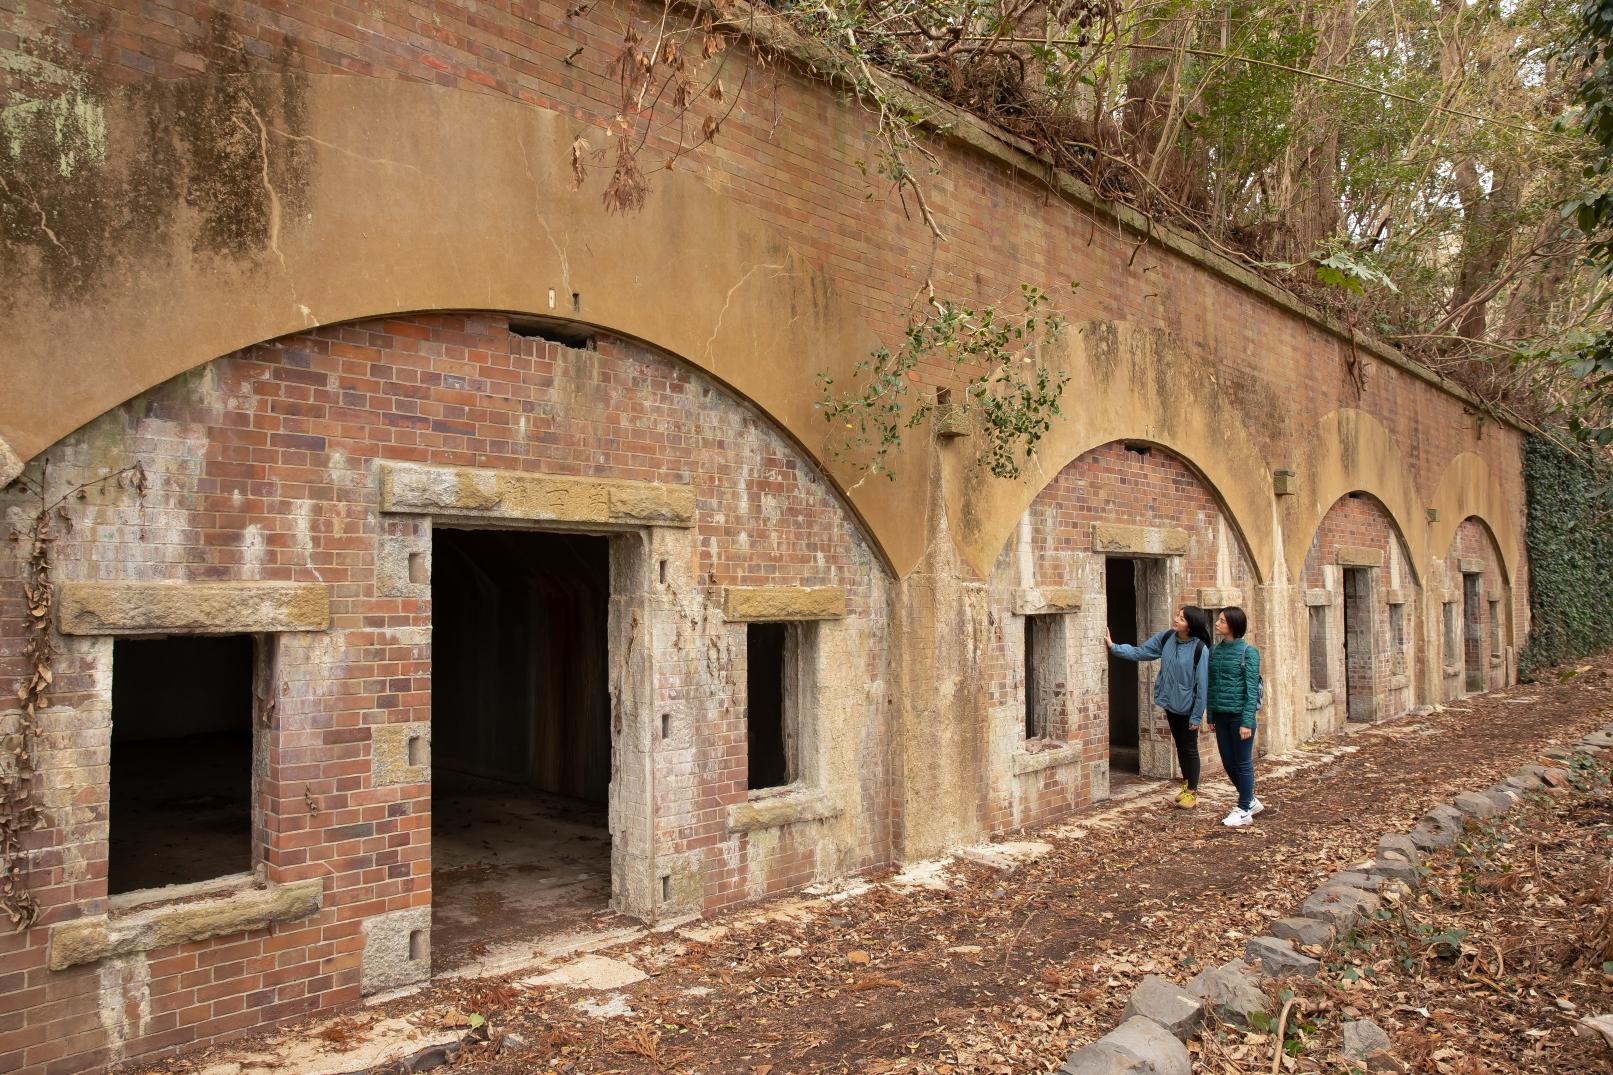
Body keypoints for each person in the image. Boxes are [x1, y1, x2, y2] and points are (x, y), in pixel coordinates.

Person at [1105, 606, 1213, 809]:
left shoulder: (1200, 649)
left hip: (1189, 707)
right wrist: (1114, 647)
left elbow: (1203, 685)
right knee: (1180, 745)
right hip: (1171, 703)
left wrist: (1196, 717)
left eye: (1181, 618)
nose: (1176, 619)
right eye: (1177, 615)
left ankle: (1192, 791)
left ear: (1191, 624)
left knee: (1190, 747)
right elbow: (1142, 652)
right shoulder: (1167, 638)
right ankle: (1186, 784)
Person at [1207, 606, 1263, 828]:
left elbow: (1251, 689)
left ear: (1233, 625)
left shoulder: (1248, 652)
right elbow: (1212, 685)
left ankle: (1243, 809)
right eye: (1218, 620)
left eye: (1222, 621)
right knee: (1228, 762)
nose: (1217, 623)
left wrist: (1247, 720)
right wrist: (1210, 714)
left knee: (1243, 763)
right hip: (1220, 715)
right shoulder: (1214, 651)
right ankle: (1250, 800)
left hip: (1240, 717)